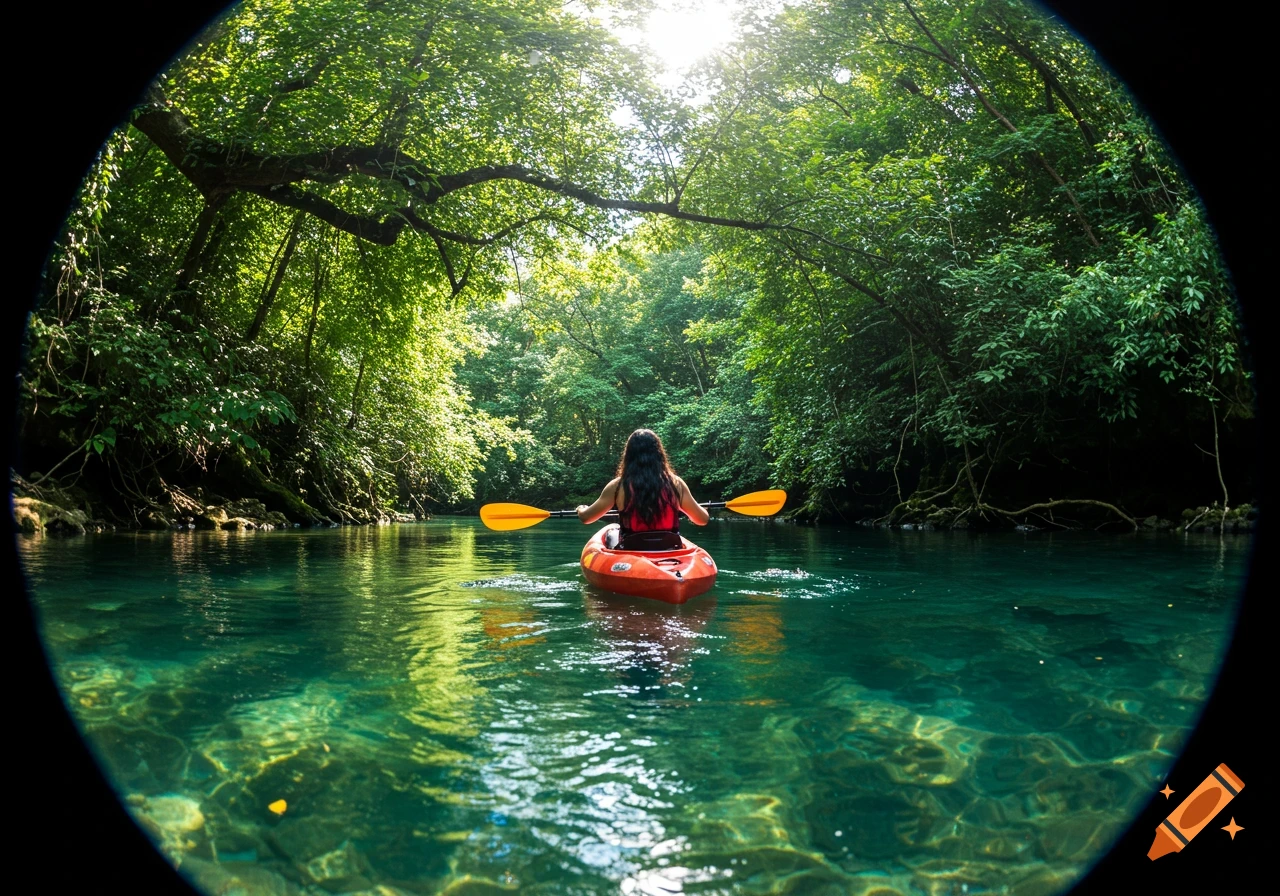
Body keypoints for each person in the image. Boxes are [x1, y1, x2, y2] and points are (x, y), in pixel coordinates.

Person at [577, 429, 710, 549]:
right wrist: (694, 509)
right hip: (669, 547)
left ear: (628, 455)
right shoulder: (676, 484)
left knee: (611, 532)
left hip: (632, 548)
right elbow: (702, 520)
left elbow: (587, 518)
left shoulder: (617, 486)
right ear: (659, 454)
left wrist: (581, 509)